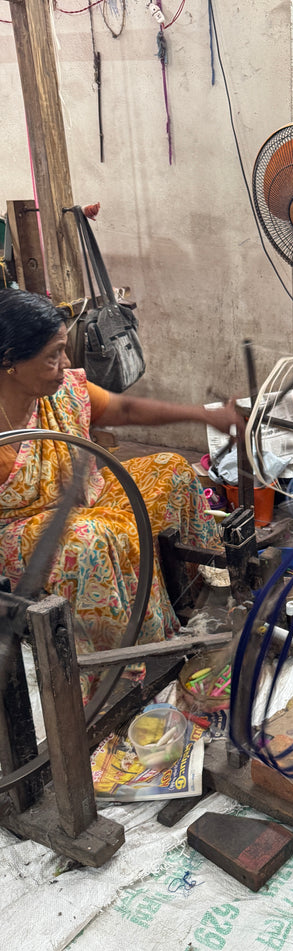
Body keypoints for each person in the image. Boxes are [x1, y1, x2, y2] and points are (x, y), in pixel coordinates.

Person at [0, 288, 242, 694]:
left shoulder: (64, 391)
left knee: (171, 470)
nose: (66, 365)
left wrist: (204, 415)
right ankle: (120, 668)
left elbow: (124, 409)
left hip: (86, 498)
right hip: (20, 533)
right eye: (53, 356)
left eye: (64, 350)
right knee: (94, 539)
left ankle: (197, 596)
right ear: (10, 361)